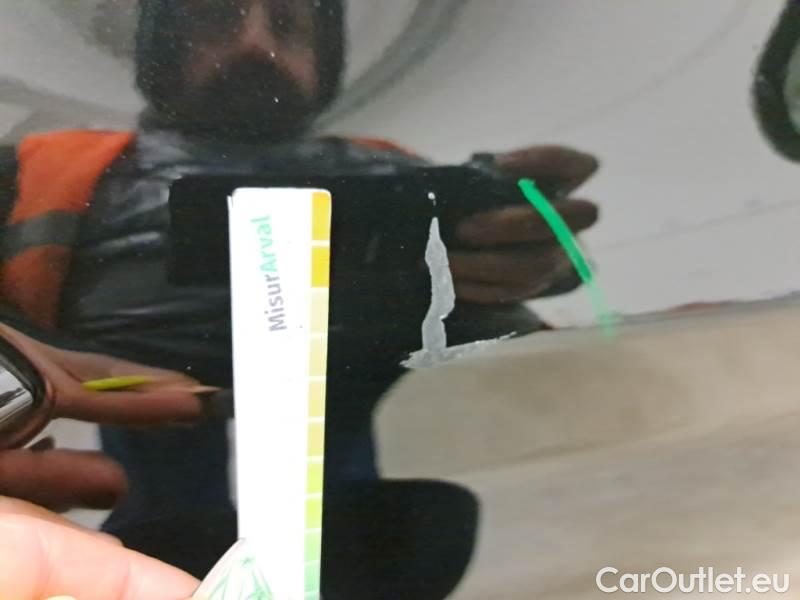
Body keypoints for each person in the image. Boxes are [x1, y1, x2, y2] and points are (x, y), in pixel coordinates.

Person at [0, 0, 599, 586]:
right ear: (159, 45)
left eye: (289, 25)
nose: (254, 43)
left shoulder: (391, 169)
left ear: (326, 54)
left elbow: (508, 280)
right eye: (213, 19)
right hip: (144, 466)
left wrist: (533, 260)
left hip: (350, 500)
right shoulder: (43, 166)